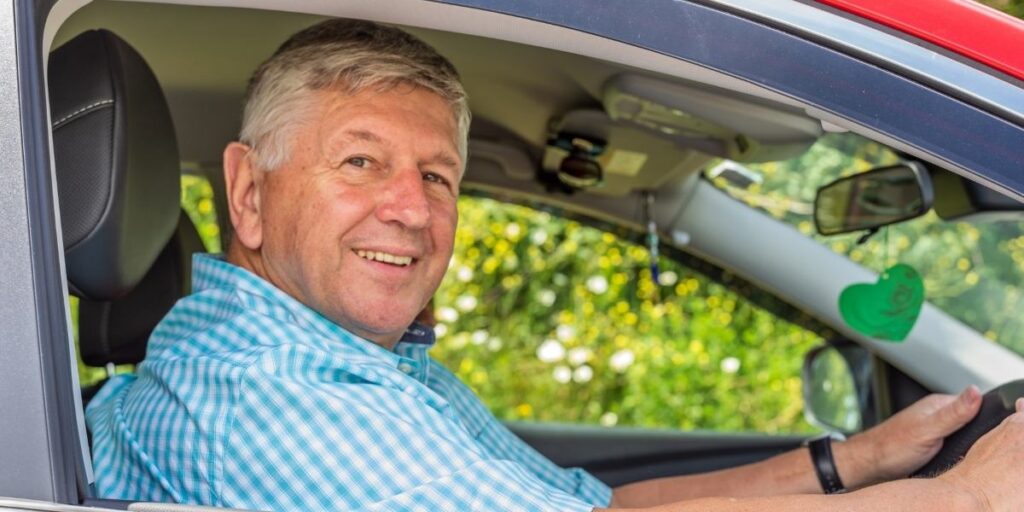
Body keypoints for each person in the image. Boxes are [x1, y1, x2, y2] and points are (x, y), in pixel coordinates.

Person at [86, 18, 1024, 512]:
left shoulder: (352, 366)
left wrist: (851, 461)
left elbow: (592, 505)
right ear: (247, 194)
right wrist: (974, 496)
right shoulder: (265, 392)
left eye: (438, 176)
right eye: (360, 161)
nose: (412, 210)